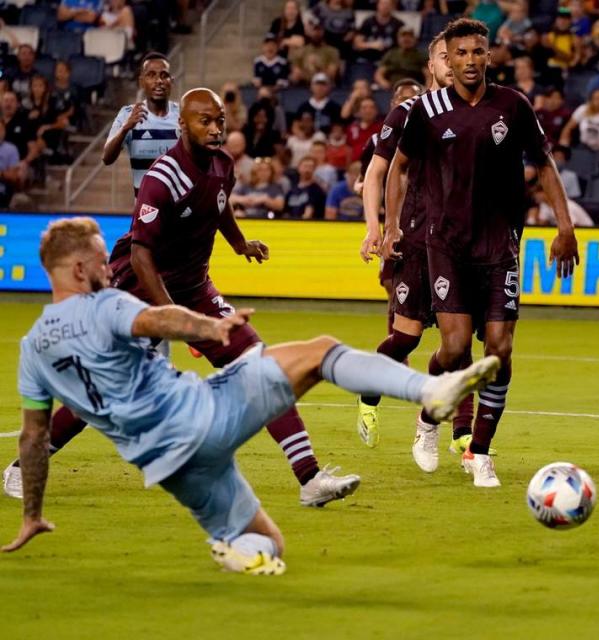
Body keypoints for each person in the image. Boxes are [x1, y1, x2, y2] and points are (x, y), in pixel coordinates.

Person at [4, 216, 499, 572]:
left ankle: (229, 548)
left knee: (269, 546)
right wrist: (211, 327)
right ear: (75, 270)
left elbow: (32, 439)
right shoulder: (104, 304)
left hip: (171, 468)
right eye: (98, 259)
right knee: (320, 352)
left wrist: (31, 515)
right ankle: (429, 389)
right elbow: (159, 317)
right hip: (199, 417)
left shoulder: (33, 350)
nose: (110, 268)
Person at [2, 89, 355, 508]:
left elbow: (219, 206)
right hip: (138, 292)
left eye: (220, 121)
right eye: (205, 121)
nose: (215, 128)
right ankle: (24, 466)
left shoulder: (223, 165)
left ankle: (310, 478)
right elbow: (140, 256)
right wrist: (170, 316)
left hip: (195, 289)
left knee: (259, 368)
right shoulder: (161, 178)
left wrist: (240, 244)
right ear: (182, 126)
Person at [384, 19, 579, 487]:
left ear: (489, 55)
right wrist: (391, 225)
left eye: (478, 51)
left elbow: (545, 165)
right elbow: (398, 167)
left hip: (499, 245)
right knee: (453, 348)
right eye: (461, 53)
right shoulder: (427, 110)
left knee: (499, 349)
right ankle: (430, 416)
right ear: (446, 60)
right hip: (445, 244)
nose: (470, 60)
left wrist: (565, 225)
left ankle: (480, 451)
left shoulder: (512, 105)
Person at [357, 38, 478, 459]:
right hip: (414, 238)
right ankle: (369, 390)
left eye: (461, 55)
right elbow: (377, 172)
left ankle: (463, 432)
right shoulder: (407, 113)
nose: (453, 64)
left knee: (459, 341)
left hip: (461, 243)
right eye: (446, 56)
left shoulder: (477, 114)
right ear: (431, 64)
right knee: (404, 339)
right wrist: (378, 227)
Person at [103, 53, 179, 196]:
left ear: (171, 81)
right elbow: (107, 158)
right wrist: (125, 128)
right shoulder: (127, 114)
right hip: (145, 211)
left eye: (164, 75)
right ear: (141, 82)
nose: (159, 81)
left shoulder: (183, 116)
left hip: (180, 211)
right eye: (151, 75)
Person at [559, 87, 599, 152]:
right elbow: (567, 129)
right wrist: (564, 145)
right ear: (591, 100)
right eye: (596, 98)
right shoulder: (582, 109)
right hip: (584, 146)